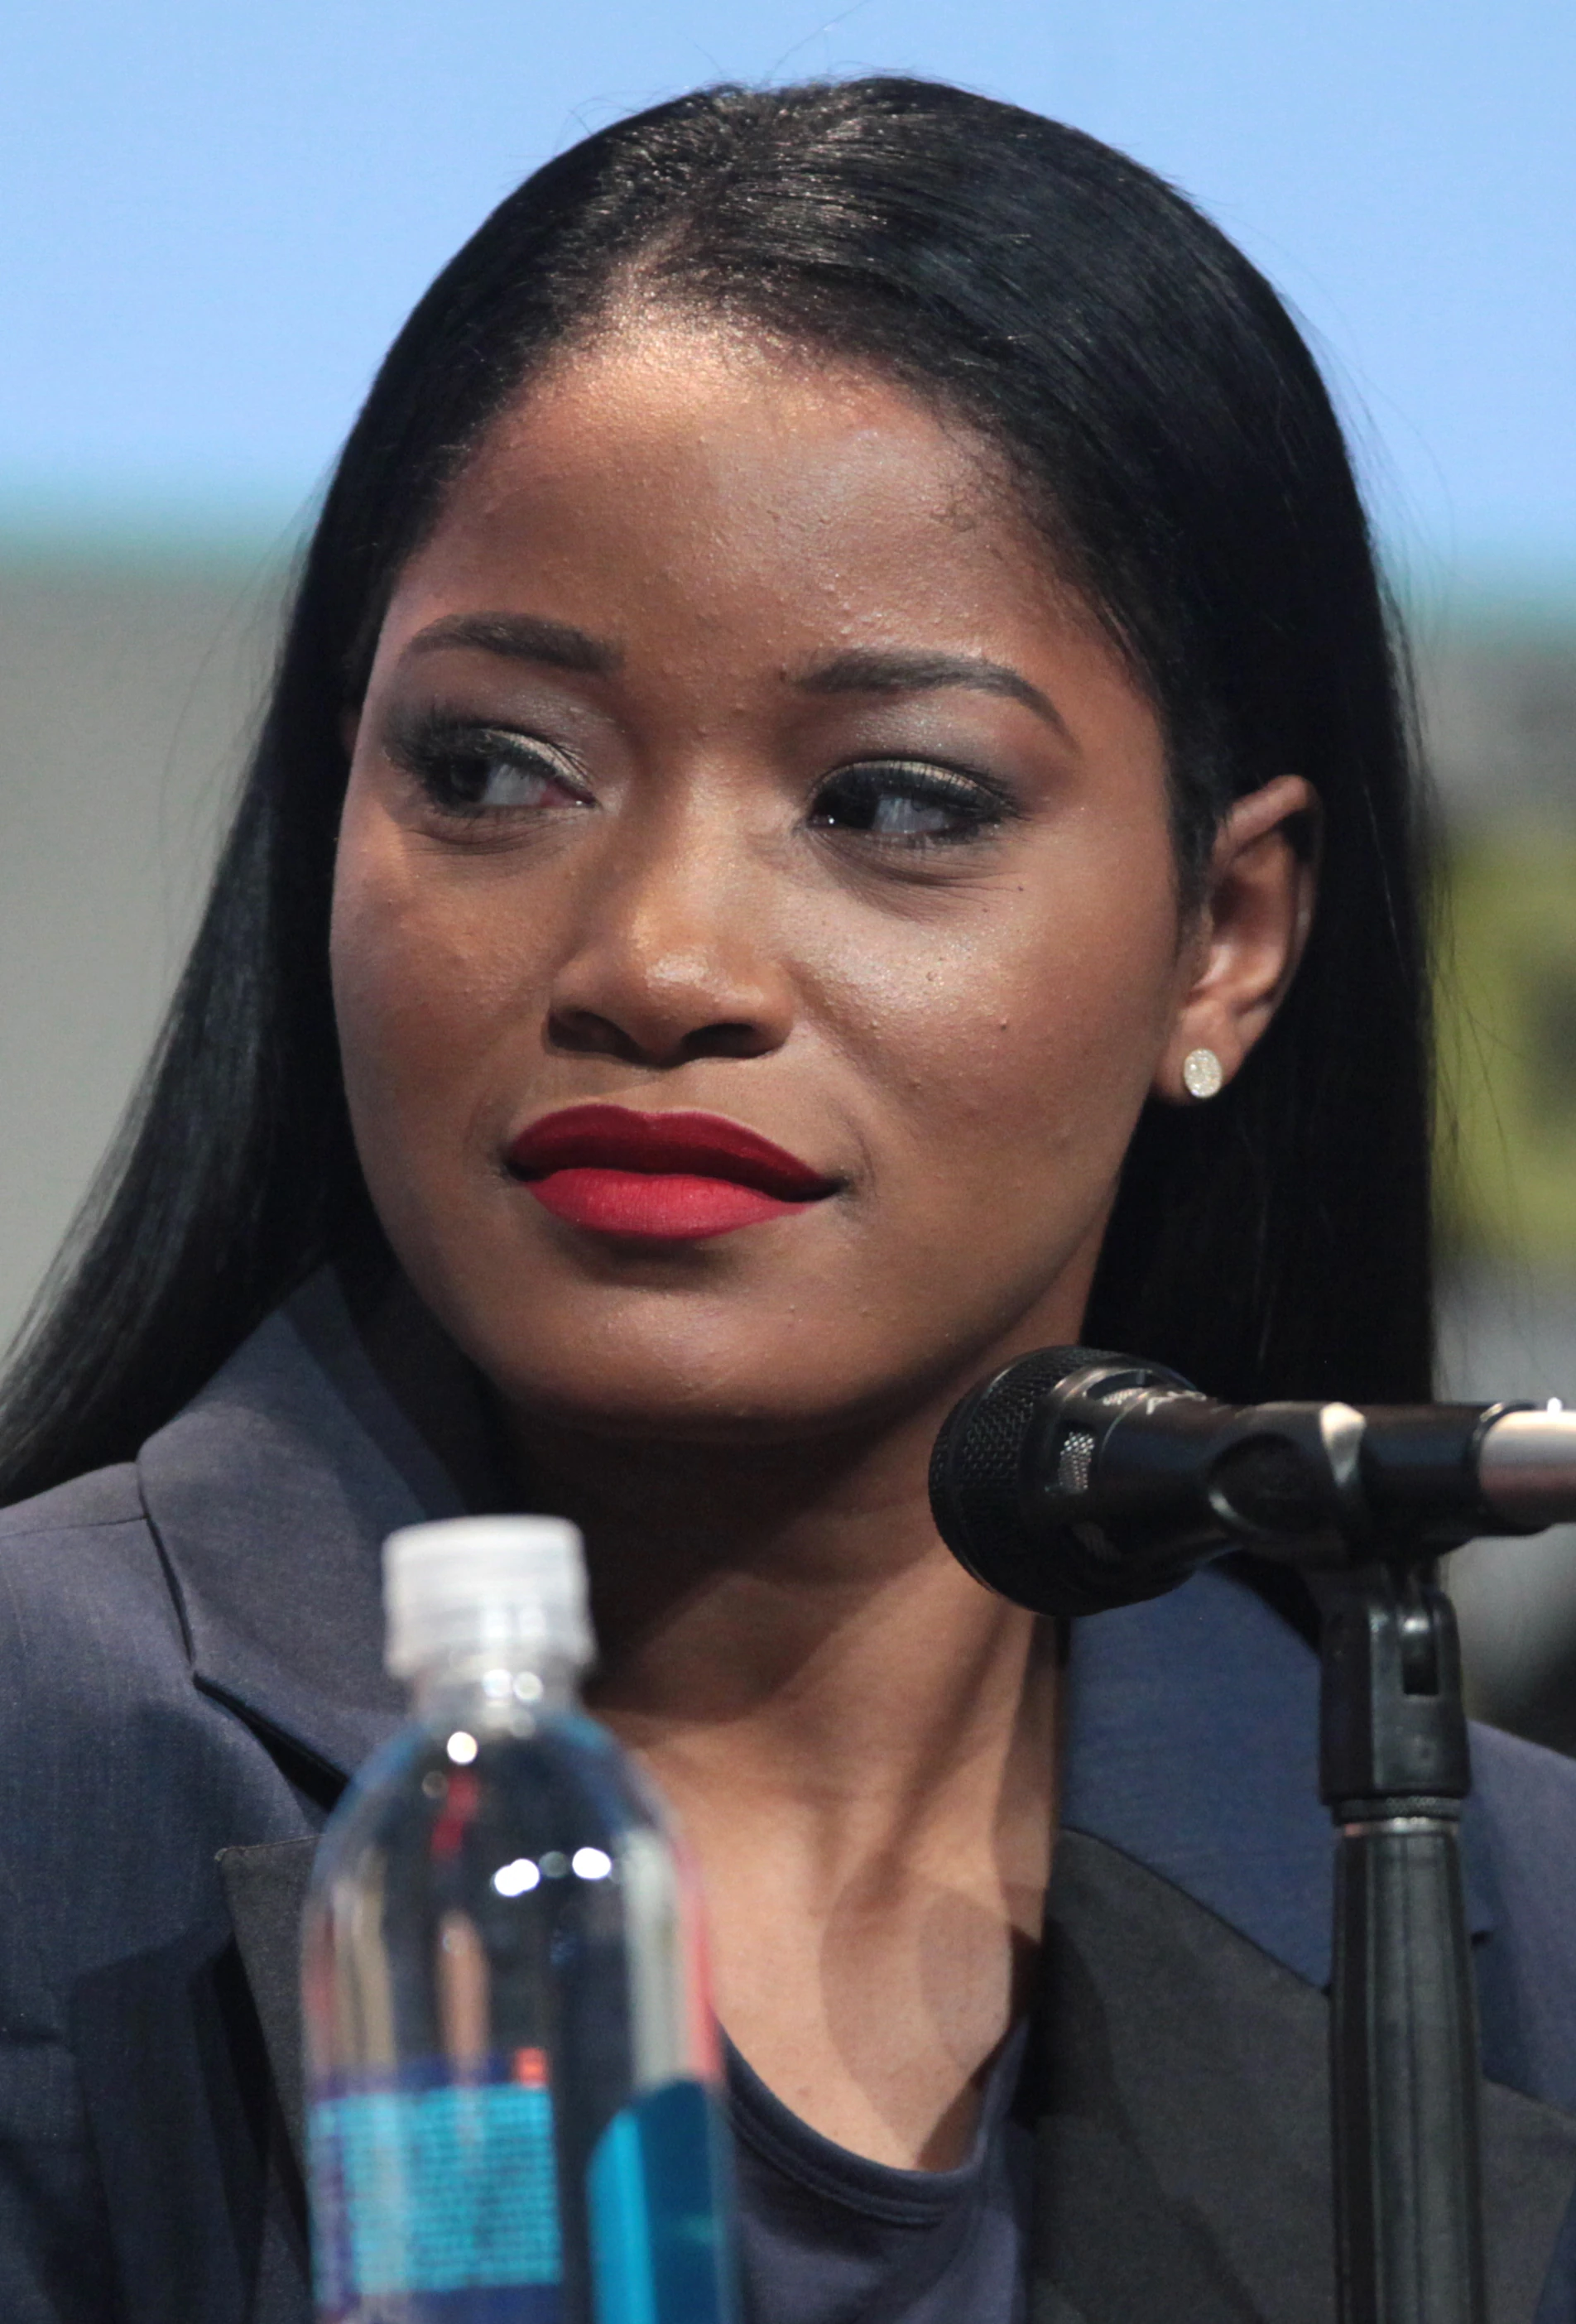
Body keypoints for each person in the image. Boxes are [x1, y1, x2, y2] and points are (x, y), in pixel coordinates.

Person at [1, 75, 1573, 2324]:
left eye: (895, 802)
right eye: (491, 766)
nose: (660, 963)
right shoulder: (51, 1771)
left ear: (1225, 935)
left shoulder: (1501, 1918)